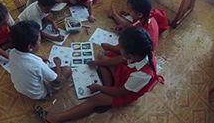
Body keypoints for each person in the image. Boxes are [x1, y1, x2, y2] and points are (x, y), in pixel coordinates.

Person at [34, 26, 164, 123]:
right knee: (103, 61)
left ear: (131, 55)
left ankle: (53, 119)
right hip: (124, 77)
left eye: (121, 49)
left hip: (126, 91)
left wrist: (99, 88)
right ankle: (107, 92)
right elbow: (120, 59)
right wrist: (98, 62)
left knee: (95, 99)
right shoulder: (139, 52)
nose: (119, 50)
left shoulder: (143, 74)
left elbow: (121, 92)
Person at [9, 20, 72, 100]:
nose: (40, 42)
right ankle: (47, 93)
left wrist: (40, 58)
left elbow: (26, 59)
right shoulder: (37, 64)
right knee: (67, 70)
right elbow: (57, 80)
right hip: (39, 94)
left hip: (19, 88)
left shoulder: (12, 53)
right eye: (39, 40)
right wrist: (58, 64)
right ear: (30, 47)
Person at [103, 0, 168, 56]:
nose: (128, 11)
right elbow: (133, 25)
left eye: (130, 10)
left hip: (141, 52)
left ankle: (113, 15)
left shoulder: (140, 31)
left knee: (109, 53)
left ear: (139, 14)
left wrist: (110, 47)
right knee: (128, 25)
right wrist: (129, 16)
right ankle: (113, 15)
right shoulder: (148, 14)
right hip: (144, 39)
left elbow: (130, 52)